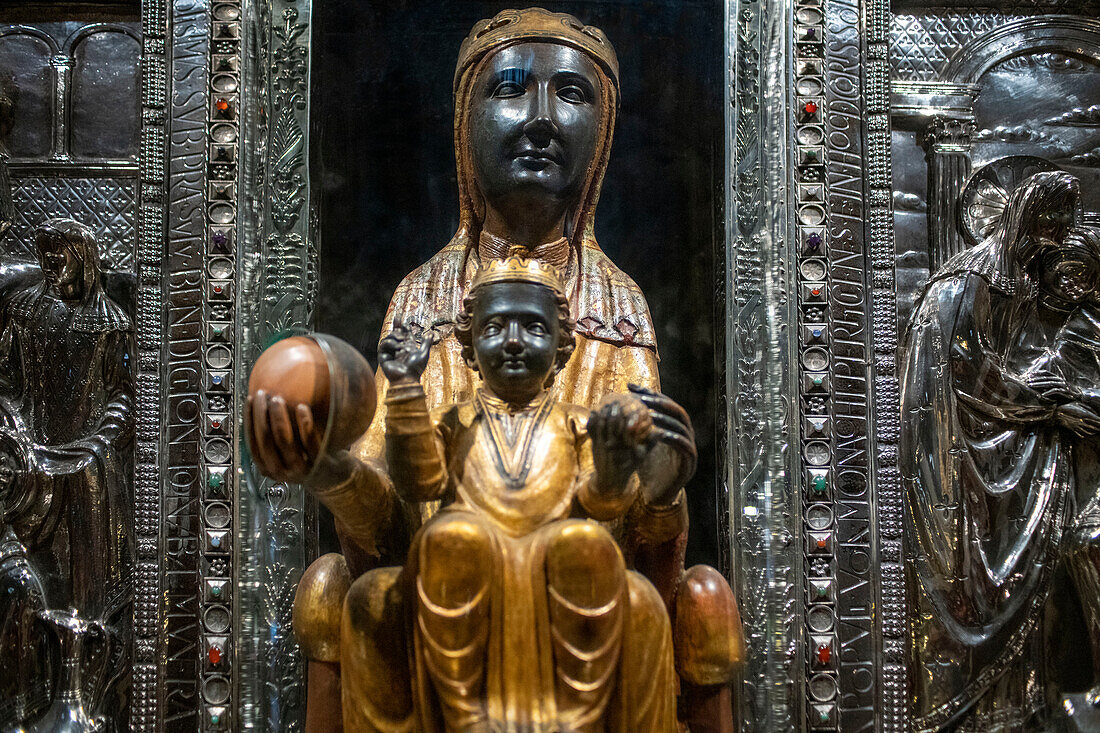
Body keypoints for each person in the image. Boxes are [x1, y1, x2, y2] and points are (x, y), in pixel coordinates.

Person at [249, 8, 740, 731]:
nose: (540, 118)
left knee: (700, 600)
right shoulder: (420, 299)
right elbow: (386, 515)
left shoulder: (619, 304)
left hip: (581, 597)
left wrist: (659, 486)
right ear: (463, 118)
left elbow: (639, 524)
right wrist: (323, 464)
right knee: (331, 587)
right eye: (510, 88)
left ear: (603, 133)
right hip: (447, 591)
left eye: (571, 94)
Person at [337, 256, 678, 731]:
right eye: (495, 327)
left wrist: (614, 470)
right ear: (470, 348)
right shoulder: (453, 422)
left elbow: (600, 505)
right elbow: (418, 483)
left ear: (562, 348)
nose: (514, 341)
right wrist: (406, 390)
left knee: (588, 545)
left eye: (534, 328)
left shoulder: (578, 423)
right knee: (449, 538)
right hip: (468, 570)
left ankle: (577, 720)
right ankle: (462, 717)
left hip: (559, 572)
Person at [902, 171, 1097, 731]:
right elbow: (971, 375)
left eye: (1065, 225)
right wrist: (1047, 403)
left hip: (1007, 452)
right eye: (1049, 223)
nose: (1057, 237)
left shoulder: (1022, 286)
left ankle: (1021, 706)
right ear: (1024, 218)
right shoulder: (969, 283)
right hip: (960, 457)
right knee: (970, 581)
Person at [0, 218, 133, 731]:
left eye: (63, 261)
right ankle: (27, 700)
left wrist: (95, 445)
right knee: (28, 587)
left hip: (87, 477)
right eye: (47, 261)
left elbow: (124, 395)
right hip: (30, 469)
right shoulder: (25, 311)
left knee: (88, 592)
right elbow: (6, 377)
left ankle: (89, 698)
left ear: (85, 259)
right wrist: (15, 430)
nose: (54, 270)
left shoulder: (110, 324)